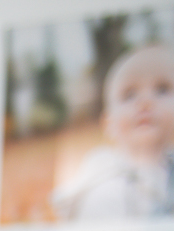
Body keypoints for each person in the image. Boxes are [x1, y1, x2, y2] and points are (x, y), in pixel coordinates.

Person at [51, 42, 174, 220]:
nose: (145, 101)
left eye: (162, 89)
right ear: (108, 123)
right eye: (129, 95)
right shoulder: (103, 183)